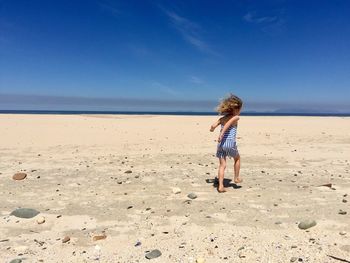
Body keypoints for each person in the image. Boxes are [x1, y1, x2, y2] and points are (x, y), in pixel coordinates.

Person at [210, 94, 243, 193]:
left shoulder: (222, 118)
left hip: (220, 145)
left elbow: (213, 125)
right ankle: (236, 178)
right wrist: (221, 134)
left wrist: (212, 129)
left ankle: (220, 186)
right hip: (229, 143)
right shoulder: (236, 117)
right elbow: (228, 125)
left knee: (222, 165)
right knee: (237, 158)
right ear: (236, 109)